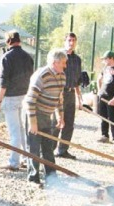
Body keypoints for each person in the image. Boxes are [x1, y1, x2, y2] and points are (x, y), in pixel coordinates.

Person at [24, 49, 67, 184]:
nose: (65, 66)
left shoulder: (62, 76)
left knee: (48, 147)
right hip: (34, 113)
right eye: (63, 63)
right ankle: (33, 177)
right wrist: (33, 122)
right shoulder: (41, 76)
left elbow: (59, 98)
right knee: (34, 147)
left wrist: (60, 115)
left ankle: (51, 177)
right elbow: (30, 100)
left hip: (47, 115)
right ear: (55, 62)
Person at [0, 30, 34, 171]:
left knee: (14, 131)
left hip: (10, 98)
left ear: (8, 41)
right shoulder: (28, 57)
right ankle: (26, 159)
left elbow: (3, 82)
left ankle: (14, 162)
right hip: (26, 96)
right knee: (23, 130)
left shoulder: (6, 57)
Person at [53, 32, 82, 160]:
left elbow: (77, 80)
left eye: (74, 40)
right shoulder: (59, 56)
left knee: (69, 123)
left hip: (71, 93)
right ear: (65, 41)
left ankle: (63, 149)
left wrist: (79, 97)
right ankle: (49, 149)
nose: (71, 43)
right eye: (69, 40)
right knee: (57, 122)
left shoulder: (77, 60)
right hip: (60, 91)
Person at [96, 51, 114, 147]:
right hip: (103, 96)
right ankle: (105, 135)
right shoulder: (105, 69)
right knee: (103, 116)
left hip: (111, 97)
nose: (104, 61)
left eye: (105, 59)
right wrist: (99, 91)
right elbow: (99, 79)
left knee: (111, 117)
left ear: (111, 58)